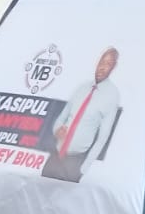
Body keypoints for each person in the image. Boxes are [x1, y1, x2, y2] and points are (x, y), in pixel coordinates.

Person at [42, 48, 121, 183]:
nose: (102, 67)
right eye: (102, 62)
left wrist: (83, 169)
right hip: (55, 155)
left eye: (108, 64)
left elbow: (102, 138)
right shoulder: (82, 88)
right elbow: (62, 117)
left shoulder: (112, 95)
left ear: (113, 67)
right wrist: (57, 130)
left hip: (75, 162)